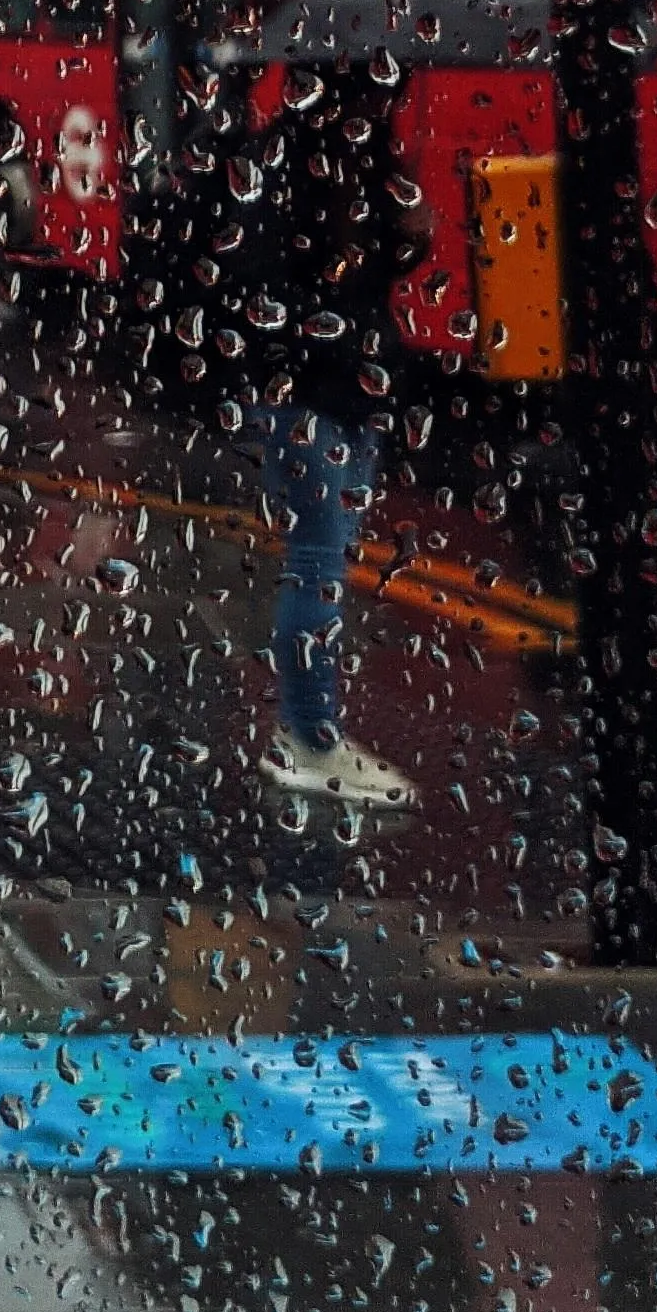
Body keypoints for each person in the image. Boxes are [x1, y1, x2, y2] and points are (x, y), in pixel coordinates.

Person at [194, 46, 418, 808]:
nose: (390, 107)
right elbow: (271, 283)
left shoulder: (318, 163)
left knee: (324, 558)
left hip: (336, 391)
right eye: (382, 91)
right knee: (318, 561)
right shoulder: (311, 168)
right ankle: (308, 737)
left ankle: (313, 732)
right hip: (315, 396)